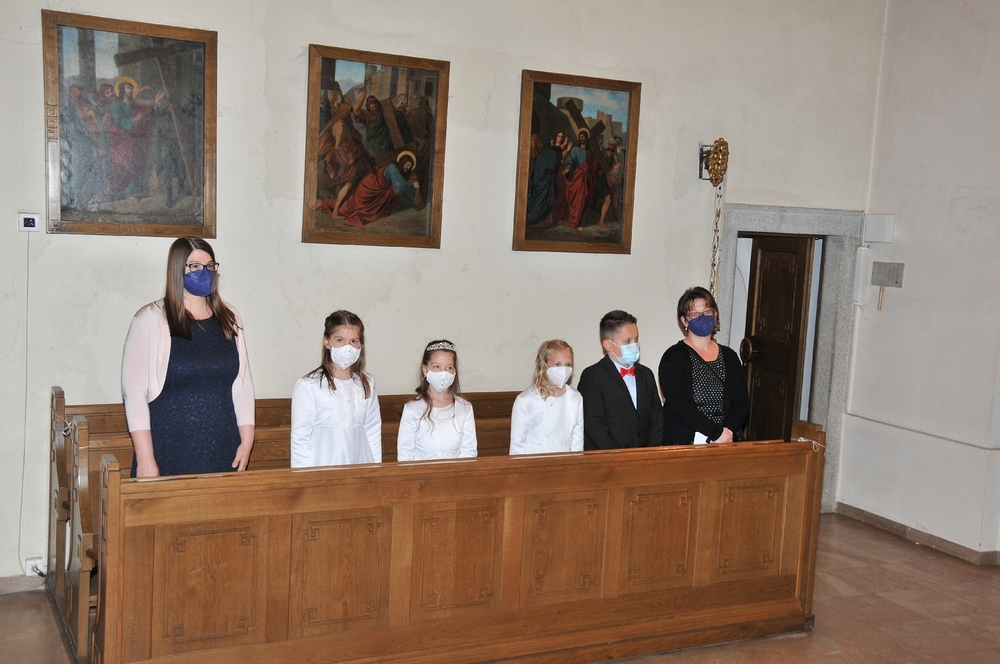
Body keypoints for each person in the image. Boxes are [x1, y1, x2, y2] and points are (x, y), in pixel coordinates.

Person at [121, 237, 254, 477]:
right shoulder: (150, 318)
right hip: (169, 447)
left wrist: (246, 440)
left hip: (223, 446)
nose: (204, 272)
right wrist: (145, 458)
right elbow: (135, 393)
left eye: (209, 266)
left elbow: (242, 384)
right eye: (194, 266)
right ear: (177, 269)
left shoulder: (230, 317)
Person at [659, 287, 750, 445]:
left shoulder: (729, 356)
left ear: (715, 314)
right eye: (695, 314)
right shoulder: (673, 357)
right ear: (684, 321)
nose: (703, 317)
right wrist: (715, 433)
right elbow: (679, 404)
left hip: (725, 441)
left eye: (707, 311)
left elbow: (741, 400)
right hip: (685, 442)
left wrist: (727, 432)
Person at [290, 310, 382, 467]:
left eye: (353, 341)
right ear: (327, 342)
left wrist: (375, 469)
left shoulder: (366, 383)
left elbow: (372, 429)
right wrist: (304, 477)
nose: (348, 347)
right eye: (340, 340)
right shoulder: (309, 385)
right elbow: (301, 438)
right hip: (324, 466)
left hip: (360, 465)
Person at [577, 310, 663, 449]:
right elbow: (594, 424)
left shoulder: (646, 374)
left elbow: (656, 418)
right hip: (609, 457)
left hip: (646, 455)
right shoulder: (593, 376)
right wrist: (619, 456)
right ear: (608, 345)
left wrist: (649, 452)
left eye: (636, 339)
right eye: (627, 341)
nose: (634, 344)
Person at [397, 340, 477, 460]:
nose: (443, 373)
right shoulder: (412, 409)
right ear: (425, 370)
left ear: (454, 371)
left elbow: (469, 451)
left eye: (449, 367)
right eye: (437, 367)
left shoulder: (464, 408)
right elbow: (405, 454)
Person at [509, 340, 584, 454]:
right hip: (534, 462)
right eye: (558, 364)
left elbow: (577, 442)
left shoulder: (575, 398)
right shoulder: (526, 400)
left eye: (568, 365)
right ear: (544, 366)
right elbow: (518, 445)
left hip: (565, 463)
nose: (564, 369)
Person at [335, 152, 420, 228]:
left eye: (410, 167)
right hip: (368, 188)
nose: (407, 168)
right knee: (355, 206)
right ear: (402, 162)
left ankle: (342, 209)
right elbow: (400, 188)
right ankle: (341, 209)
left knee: (349, 208)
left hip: (371, 188)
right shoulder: (393, 168)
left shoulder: (395, 170)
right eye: (407, 164)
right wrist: (413, 186)